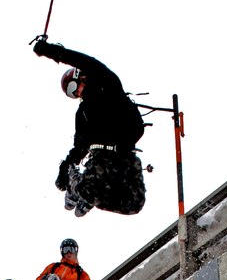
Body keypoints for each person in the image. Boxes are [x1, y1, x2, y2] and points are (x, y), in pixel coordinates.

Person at [32, 39, 146, 218]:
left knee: (134, 203)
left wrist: (50, 51)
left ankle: (88, 193)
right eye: (71, 93)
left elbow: (85, 61)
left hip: (126, 155)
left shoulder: (107, 84)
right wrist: (66, 166)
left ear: (81, 76)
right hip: (103, 157)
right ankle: (80, 187)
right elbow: (80, 146)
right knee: (93, 187)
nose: (75, 93)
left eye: (72, 87)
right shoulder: (83, 112)